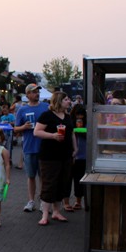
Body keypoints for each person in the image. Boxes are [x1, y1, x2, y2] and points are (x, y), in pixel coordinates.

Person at [34, 91, 75, 226]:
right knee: (49, 183)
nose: (69, 101)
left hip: (66, 155)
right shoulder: (47, 115)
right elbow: (37, 131)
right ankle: (45, 214)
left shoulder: (68, 116)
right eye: (66, 99)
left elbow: (72, 132)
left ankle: (57, 211)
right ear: (59, 101)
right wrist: (53, 136)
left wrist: (75, 148)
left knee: (62, 183)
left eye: (68, 99)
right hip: (49, 156)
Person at [15, 83, 49, 212]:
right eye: (34, 92)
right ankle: (31, 201)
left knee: (43, 176)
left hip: (45, 147)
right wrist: (23, 127)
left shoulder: (46, 107)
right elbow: (15, 128)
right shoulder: (22, 110)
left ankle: (43, 201)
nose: (37, 94)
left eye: (38, 91)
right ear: (28, 94)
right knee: (31, 176)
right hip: (29, 147)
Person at [66, 103, 87, 211]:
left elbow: (90, 134)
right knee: (67, 179)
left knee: (79, 180)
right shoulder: (69, 122)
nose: (79, 117)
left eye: (81, 115)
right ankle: (66, 202)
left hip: (83, 156)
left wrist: (80, 129)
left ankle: (78, 201)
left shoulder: (87, 124)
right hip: (71, 155)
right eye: (77, 115)